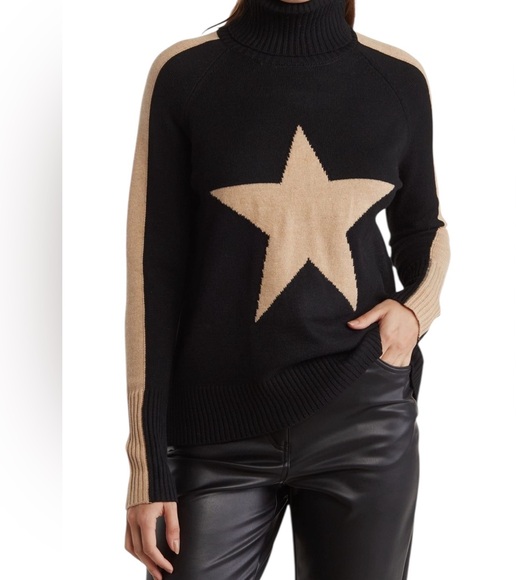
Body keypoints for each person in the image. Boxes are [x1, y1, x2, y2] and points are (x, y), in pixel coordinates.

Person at [123, 0, 451, 578]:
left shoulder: (396, 78)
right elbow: (154, 274)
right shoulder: (186, 74)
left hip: (362, 417)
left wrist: (414, 311)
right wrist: (147, 467)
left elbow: (423, 228)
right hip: (214, 432)